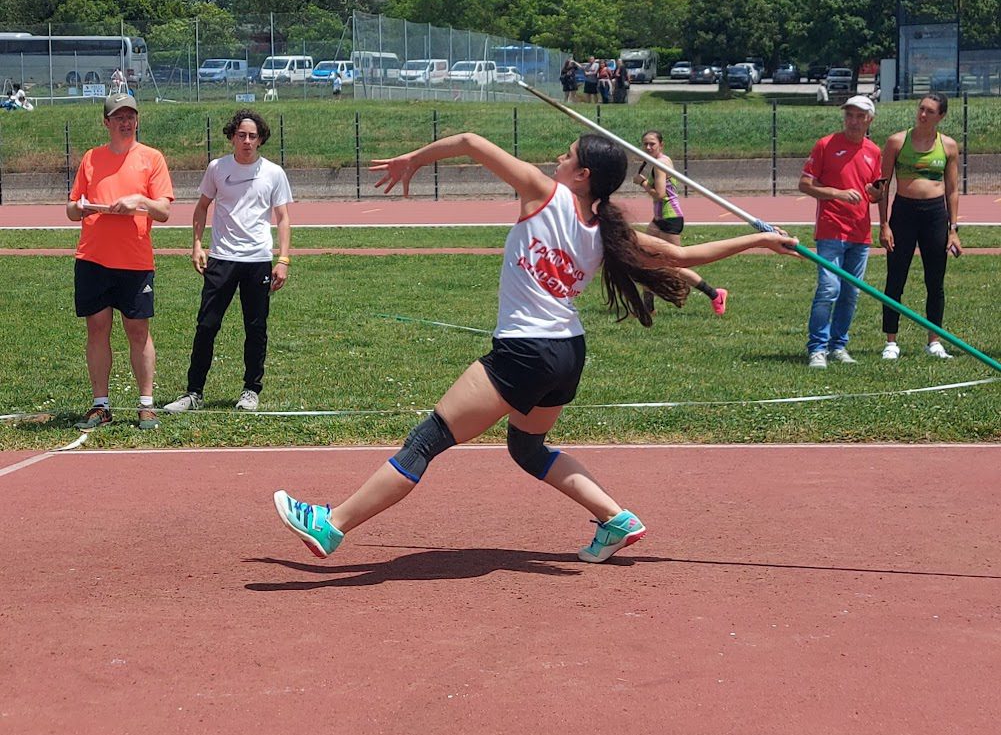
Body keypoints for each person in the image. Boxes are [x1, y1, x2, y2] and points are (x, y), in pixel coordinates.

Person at [273, 131, 796, 564]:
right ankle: (616, 519)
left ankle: (332, 525)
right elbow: (690, 255)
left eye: (567, 155)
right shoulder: (604, 230)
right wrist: (758, 240)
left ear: (583, 173)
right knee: (525, 448)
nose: (557, 159)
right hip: (567, 354)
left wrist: (415, 158)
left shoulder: (542, 192)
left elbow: (471, 142)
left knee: (428, 438)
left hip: (525, 351)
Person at [164, 109, 293, 414]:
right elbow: (201, 208)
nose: (247, 141)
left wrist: (283, 259)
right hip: (221, 259)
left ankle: (251, 390)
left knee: (256, 327)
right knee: (207, 326)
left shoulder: (274, 173)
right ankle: (193, 393)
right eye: (241, 135)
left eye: (253, 136)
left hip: (258, 260)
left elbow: (284, 218)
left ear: (260, 139)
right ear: (232, 137)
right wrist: (197, 245)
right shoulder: (217, 168)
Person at [65, 93, 174, 429]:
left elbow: (165, 211)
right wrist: (81, 208)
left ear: (137, 120)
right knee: (97, 329)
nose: (126, 122)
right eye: (118, 117)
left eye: (130, 116)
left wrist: (138, 200)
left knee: (138, 330)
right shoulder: (91, 158)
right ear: (106, 123)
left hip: (135, 259)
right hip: (93, 258)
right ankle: (101, 405)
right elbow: (71, 209)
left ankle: (146, 405)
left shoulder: (151, 159)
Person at [798, 95, 884, 368]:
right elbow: (805, 184)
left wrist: (874, 193)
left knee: (851, 293)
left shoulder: (874, 151)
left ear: (869, 120)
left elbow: (876, 193)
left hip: (860, 233)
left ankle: (839, 346)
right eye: (849, 115)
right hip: (831, 230)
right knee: (828, 288)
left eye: (860, 116)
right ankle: (817, 349)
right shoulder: (826, 145)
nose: (853, 121)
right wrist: (836, 193)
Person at [877, 93, 962, 360]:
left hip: (935, 215)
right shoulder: (896, 142)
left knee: (935, 281)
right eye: (921, 109)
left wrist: (953, 230)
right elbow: (883, 185)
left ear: (941, 116)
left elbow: (952, 190)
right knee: (895, 278)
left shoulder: (948, 146)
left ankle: (934, 340)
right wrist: (884, 224)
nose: (923, 114)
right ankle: (891, 341)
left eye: (930, 111)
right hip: (903, 212)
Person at [633, 130, 727, 316]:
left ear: (661, 145)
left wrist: (643, 183)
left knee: (676, 267)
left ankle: (715, 294)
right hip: (659, 220)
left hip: (670, 219)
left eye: (652, 143)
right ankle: (648, 308)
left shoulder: (660, 164)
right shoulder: (658, 162)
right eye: (645, 144)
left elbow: (659, 194)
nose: (648, 147)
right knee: (644, 261)